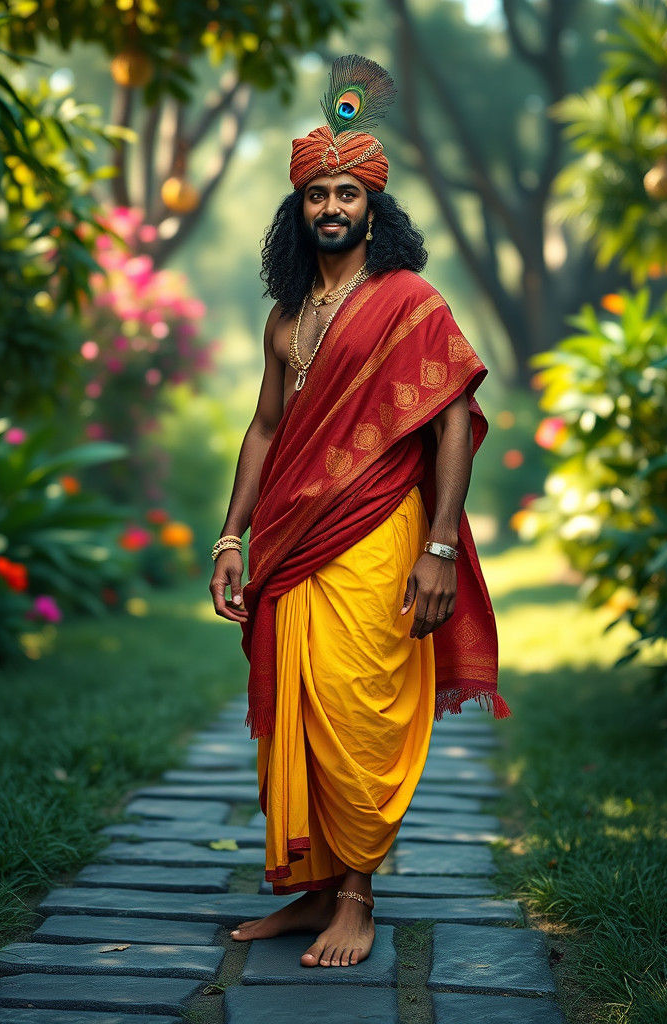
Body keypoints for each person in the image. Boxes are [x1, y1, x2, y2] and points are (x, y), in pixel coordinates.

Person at [208, 54, 510, 970]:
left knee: (355, 709)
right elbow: (264, 430)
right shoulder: (285, 317)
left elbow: (454, 415)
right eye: (315, 195)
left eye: (347, 192)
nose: (331, 207)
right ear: (296, 211)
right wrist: (231, 537)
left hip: (378, 535)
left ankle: (358, 899)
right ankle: (310, 892)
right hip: (288, 543)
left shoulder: (410, 303)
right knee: (295, 711)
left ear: (374, 209)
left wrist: (444, 545)